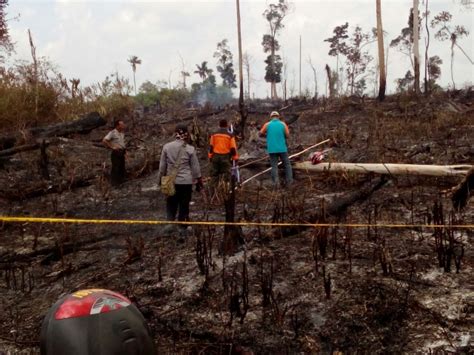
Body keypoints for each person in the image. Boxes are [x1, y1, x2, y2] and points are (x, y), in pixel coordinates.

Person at [158, 124, 203, 236]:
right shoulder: (190, 149)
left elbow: (162, 167)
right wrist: (199, 181)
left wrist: (160, 180)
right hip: (185, 182)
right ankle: (182, 227)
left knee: (171, 202)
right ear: (186, 134)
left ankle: (170, 224)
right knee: (184, 204)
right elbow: (195, 168)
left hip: (171, 182)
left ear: (176, 133)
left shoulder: (166, 147)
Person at [259, 111, 293, 187]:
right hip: (282, 148)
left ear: (271, 117)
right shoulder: (283, 124)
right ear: (278, 116)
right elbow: (288, 136)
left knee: (274, 166)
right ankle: (289, 183)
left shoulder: (267, 124)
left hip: (272, 149)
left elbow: (260, 133)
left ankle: (276, 185)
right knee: (287, 165)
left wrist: (267, 134)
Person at [208, 119, 239, 187]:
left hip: (215, 157)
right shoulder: (230, 135)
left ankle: (213, 192)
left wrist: (210, 157)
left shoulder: (214, 134)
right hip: (225, 158)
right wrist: (235, 158)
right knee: (226, 175)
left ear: (219, 125)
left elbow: (211, 147)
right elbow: (233, 148)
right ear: (227, 125)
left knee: (214, 175)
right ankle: (225, 191)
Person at [102, 120, 127, 186]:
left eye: (123, 124)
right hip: (116, 153)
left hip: (122, 152)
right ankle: (114, 183)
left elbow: (122, 143)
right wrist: (112, 147)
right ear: (117, 126)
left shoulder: (122, 133)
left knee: (122, 167)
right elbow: (104, 140)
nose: (123, 126)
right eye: (121, 125)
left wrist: (125, 152)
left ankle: (121, 182)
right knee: (115, 168)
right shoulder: (112, 133)